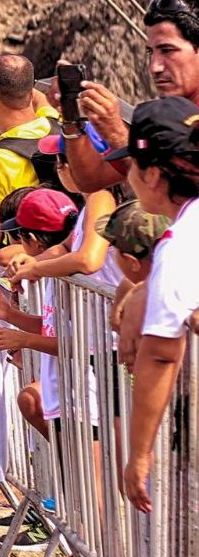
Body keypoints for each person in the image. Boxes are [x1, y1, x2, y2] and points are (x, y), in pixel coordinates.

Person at [105, 97, 199, 513]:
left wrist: (139, 454)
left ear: (155, 173)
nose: (127, 176)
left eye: (132, 164)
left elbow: (161, 355)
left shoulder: (180, 246)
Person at [72, 0, 199, 192]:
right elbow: (90, 180)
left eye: (167, 50)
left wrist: (118, 135)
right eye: (151, 52)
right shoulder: (162, 119)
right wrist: (70, 116)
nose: (154, 67)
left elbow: (176, 194)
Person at [0, 54, 55, 249]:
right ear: (29, 93)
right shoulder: (54, 122)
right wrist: (4, 80)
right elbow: (36, 96)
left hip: (26, 264)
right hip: (65, 257)